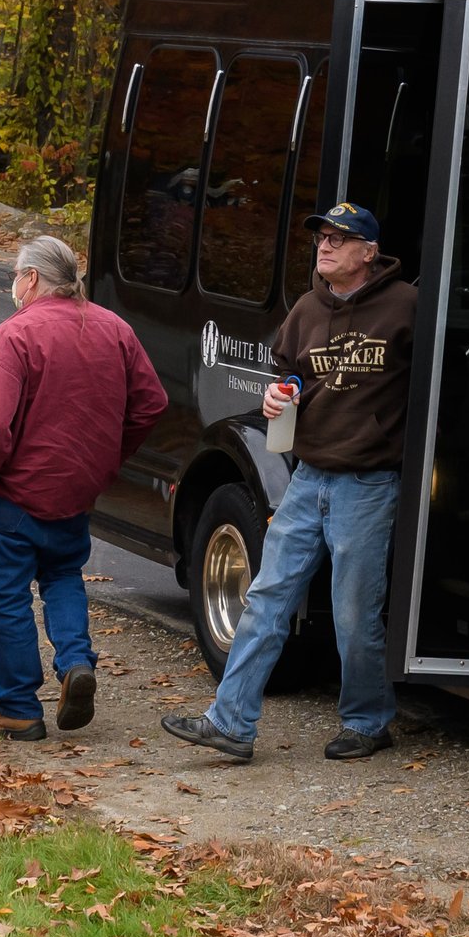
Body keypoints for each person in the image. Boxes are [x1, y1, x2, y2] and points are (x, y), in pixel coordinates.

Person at [165, 202, 414, 763]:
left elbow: (445, 387)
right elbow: (289, 374)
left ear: (368, 253)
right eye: (321, 237)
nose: (324, 246)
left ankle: (368, 721)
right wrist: (279, 394)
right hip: (307, 478)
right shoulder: (306, 308)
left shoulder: (407, 307)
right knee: (265, 597)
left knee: (354, 614)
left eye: (338, 238)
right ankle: (229, 723)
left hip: (368, 484)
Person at [0, 236, 165, 741]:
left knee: (6, 597)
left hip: (16, 491)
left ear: (30, 279)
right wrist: (107, 457)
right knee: (64, 577)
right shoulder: (115, 328)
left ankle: (17, 706)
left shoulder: (17, 333)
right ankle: (74, 662)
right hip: (77, 489)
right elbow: (151, 403)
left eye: (16, 276)